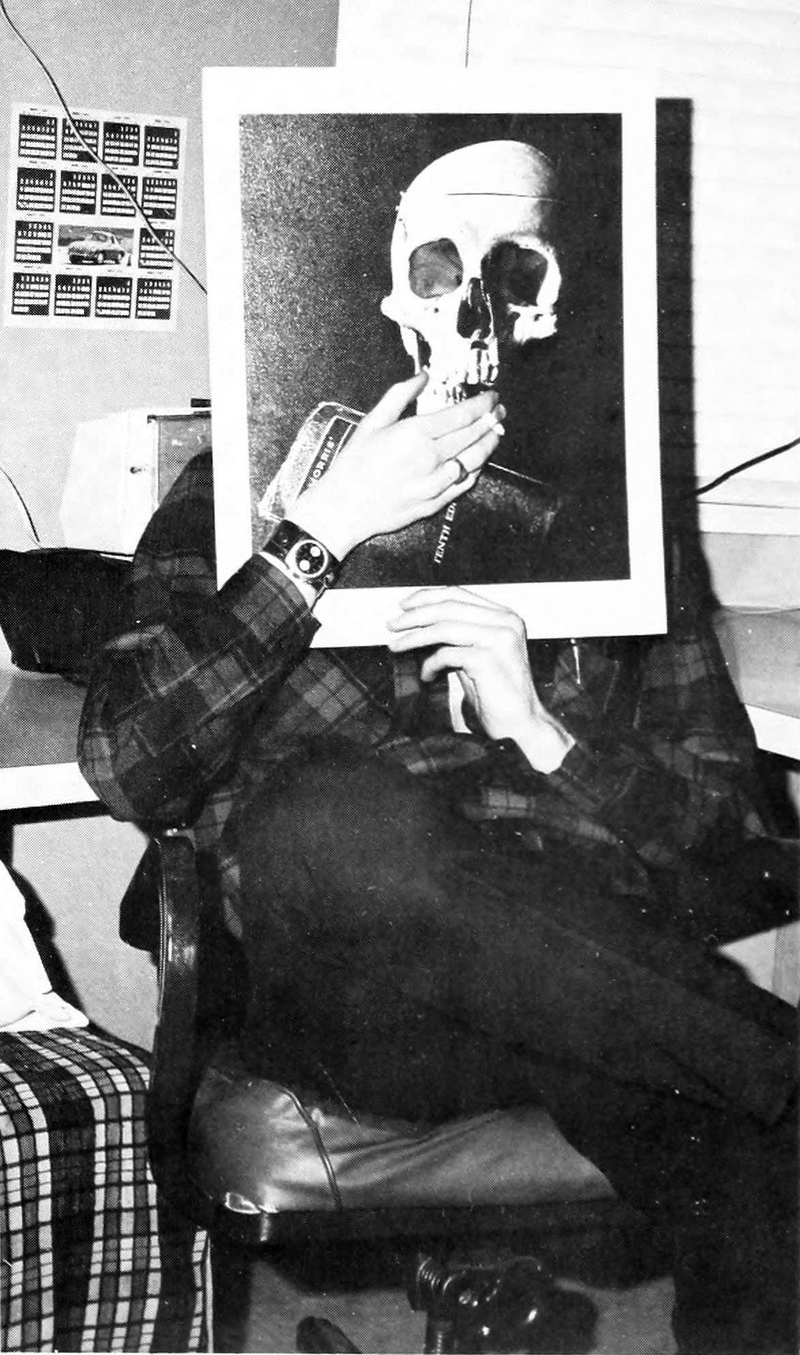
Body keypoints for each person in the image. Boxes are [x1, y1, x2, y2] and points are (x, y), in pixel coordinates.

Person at [79, 364, 796, 1352]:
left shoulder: (611, 514)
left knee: (750, 1167)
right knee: (334, 815)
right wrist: (318, 534)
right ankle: (770, 1061)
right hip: (357, 1003)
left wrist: (546, 735)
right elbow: (128, 762)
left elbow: (729, 836)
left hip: (583, 987)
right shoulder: (236, 485)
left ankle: (763, 1081)